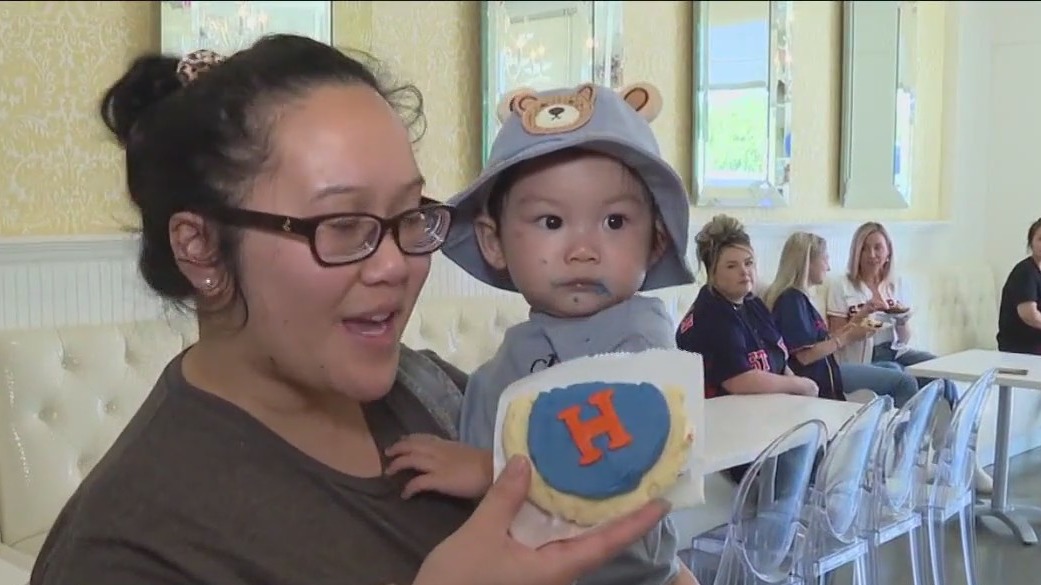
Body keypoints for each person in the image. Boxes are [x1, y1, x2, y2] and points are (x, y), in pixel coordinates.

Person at [29, 36, 671, 585]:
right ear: (201, 247)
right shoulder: (128, 550)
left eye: (409, 215)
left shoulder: (436, 393)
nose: (397, 264)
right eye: (340, 225)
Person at [387, 82, 700, 585]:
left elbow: (636, 458)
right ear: (493, 242)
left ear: (656, 240)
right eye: (551, 221)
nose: (583, 250)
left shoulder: (640, 340)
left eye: (615, 221)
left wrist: (491, 472)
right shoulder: (504, 363)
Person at [825, 221, 993, 492]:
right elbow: (837, 337)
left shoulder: (895, 284)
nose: (872, 255)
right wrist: (864, 315)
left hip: (894, 349)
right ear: (856, 252)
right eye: (865, 248)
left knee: (941, 373)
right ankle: (907, 455)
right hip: (863, 357)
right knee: (900, 376)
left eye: (878, 248)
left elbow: (903, 339)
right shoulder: (842, 286)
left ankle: (958, 459)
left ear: (888, 252)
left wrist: (902, 320)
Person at [762, 231, 921, 406]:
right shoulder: (791, 301)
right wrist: (848, 337)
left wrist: (861, 316)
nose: (828, 267)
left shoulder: (801, 298)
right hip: (819, 376)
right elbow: (804, 357)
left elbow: (822, 340)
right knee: (905, 383)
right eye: (825, 259)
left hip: (828, 368)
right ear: (808, 262)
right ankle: (901, 425)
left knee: (893, 368)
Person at [675, 215, 819, 401]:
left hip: (769, 408)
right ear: (712, 273)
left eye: (748, 263)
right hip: (724, 414)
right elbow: (738, 380)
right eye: (731, 266)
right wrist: (799, 385)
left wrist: (798, 394)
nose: (744, 271)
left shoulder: (752, 303)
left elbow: (780, 360)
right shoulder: (711, 314)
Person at [996, 217, 1041, 355]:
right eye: (1040, 239)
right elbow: (1030, 316)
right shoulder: (1025, 272)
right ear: (1031, 243)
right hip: (1021, 348)